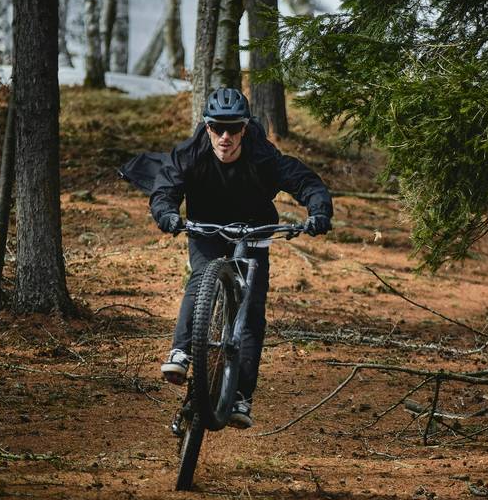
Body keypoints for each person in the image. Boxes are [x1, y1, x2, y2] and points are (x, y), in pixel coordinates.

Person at [120, 87, 332, 432]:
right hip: (206, 228)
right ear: (206, 127)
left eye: (233, 128)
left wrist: (319, 212)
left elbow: (305, 181)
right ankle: (181, 352)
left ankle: (240, 397)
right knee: (202, 277)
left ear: (245, 128)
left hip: (254, 232)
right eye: (217, 127)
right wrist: (168, 215)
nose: (225, 136)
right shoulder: (191, 153)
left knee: (250, 311)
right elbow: (164, 188)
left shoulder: (262, 155)